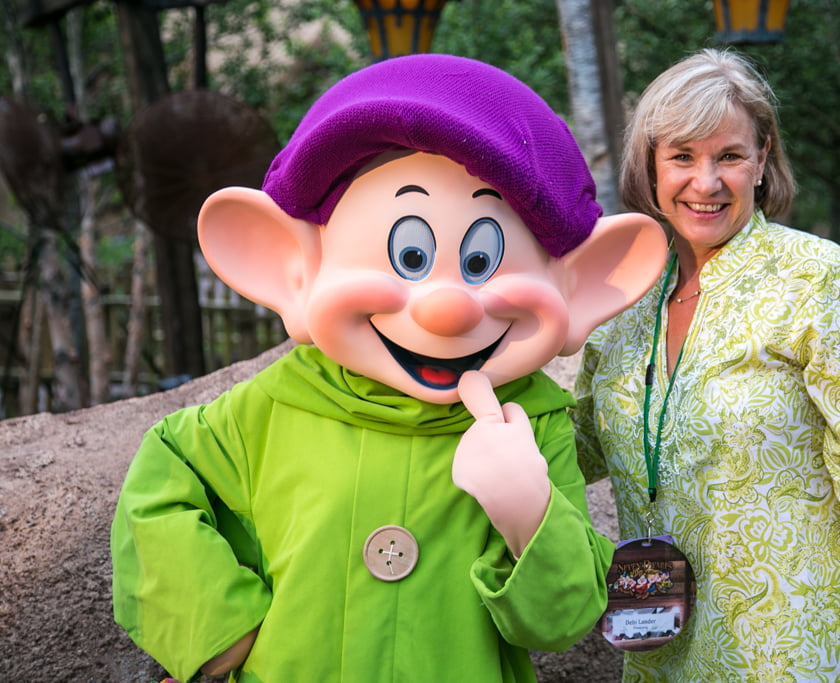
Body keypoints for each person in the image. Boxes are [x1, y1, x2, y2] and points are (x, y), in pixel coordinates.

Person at [109, 54, 668, 682]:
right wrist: (213, 624)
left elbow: (559, 623)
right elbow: (162, 483)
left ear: (578, 287)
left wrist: (529, 513)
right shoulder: (270, 408)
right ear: (292, 268)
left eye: (481, 261)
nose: (446, 309)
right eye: (411, 255)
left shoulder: (531, 424)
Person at [571, 48, 840, 683]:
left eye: (730, 156)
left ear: (762, 160)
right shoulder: (624, 299)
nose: (705, 182)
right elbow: (575, 448)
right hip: (657, 657)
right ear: (651, 165)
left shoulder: (819, 280)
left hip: (795, 655)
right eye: (682, 156)